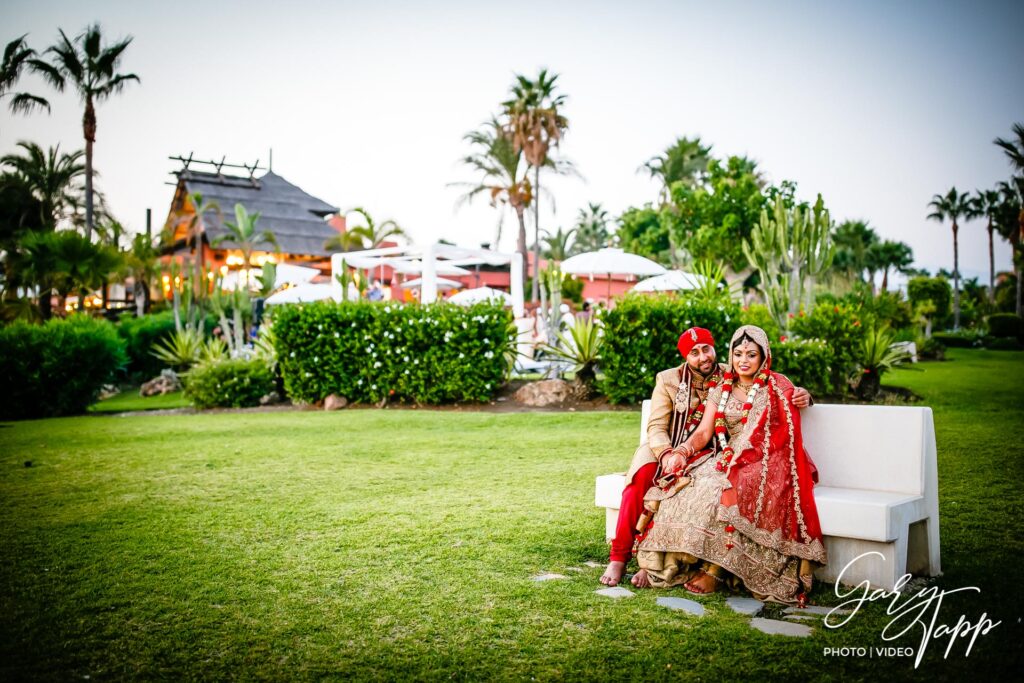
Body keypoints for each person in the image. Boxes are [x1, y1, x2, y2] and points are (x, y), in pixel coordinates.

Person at [599, 327, 812, 587]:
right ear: (686, 357)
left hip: (715, 452)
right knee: (641, 483)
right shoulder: (668, 379)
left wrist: (806, 395)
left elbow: (784, 393)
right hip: (669, 446)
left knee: (685, 487)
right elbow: (656, 427)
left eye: (706, 349)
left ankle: (681, 564)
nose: (703, 357)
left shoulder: (733, 372)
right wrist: (669, 453)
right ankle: (620, 557)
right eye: (694, 353)